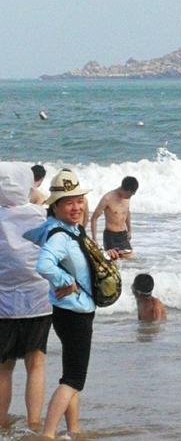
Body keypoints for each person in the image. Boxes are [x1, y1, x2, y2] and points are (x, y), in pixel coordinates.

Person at [24, 169, 120, 438]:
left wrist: (106, 257)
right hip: (74, 314)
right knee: (73, 380)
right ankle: (48, 434)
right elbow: (44, 265)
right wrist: (66, 281)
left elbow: (77, 261)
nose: (76, 207)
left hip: (72, 311)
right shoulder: (60, 235)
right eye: (69, 202)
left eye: (79, 200)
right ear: (55, 206)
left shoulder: (70, 229)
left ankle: (73, 429)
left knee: (72, 376)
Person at [0, 163, 51, 430]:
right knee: (36, 363)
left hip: (3, 304)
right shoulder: (41, 215)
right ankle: (34, 424)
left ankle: (1, 423)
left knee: (4, 367)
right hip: (38, 301)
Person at [90, 176, 138, 258]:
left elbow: (127, 212)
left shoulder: (126, 197)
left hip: (123, 235)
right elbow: (94, 218)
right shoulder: (107, 198)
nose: (131, 196)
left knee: (130, 260)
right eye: (131, 194)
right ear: (126, 190)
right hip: (111, 236)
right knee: (113, 262)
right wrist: (94, 239)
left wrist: (129, 230)